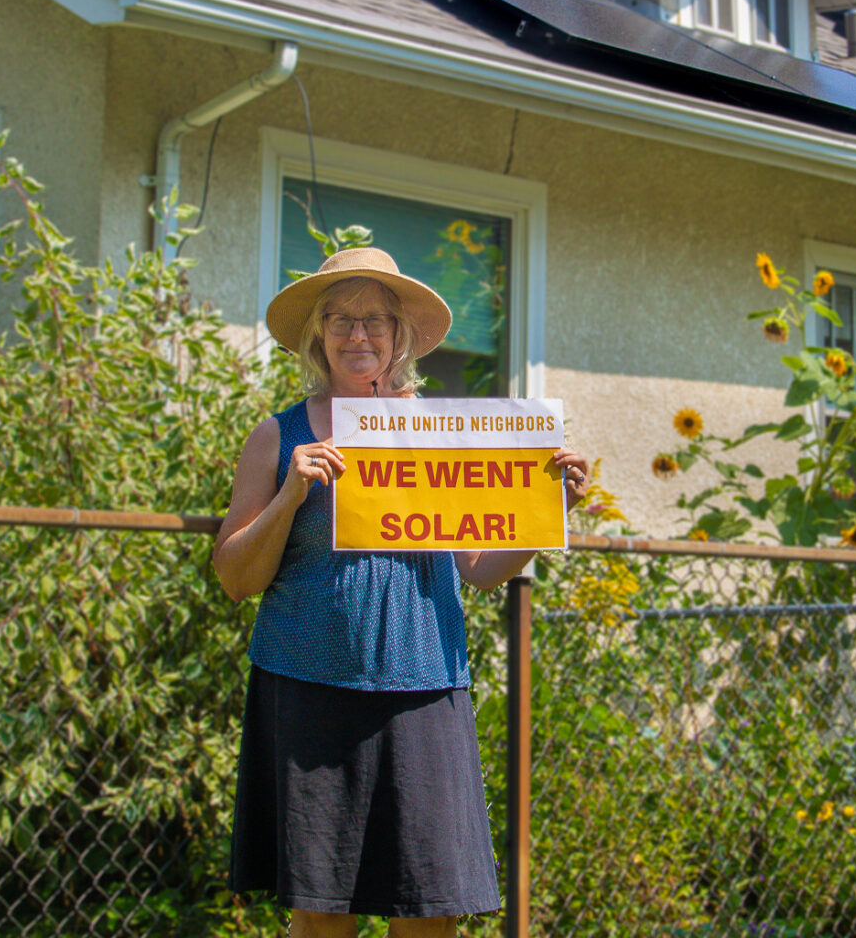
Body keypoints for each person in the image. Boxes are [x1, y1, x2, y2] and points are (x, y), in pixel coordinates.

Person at [214, 246, 589, 938]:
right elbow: (237, 578)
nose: (358, 335)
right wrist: (292, 495)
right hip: (308, 681)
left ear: (400, 335)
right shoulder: (277, 438)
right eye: (341, 319)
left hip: (424, 684)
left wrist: (546, 511)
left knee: (430, 910)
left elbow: (477, 568)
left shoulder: (444, 434)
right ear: (317, 334)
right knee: (322, 916)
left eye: (375, 320)